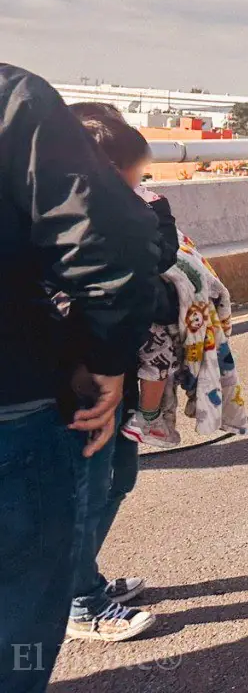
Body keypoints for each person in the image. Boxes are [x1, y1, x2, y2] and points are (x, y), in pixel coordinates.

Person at [0, 66, 159, 691]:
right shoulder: (14, 99)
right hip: (14, 396)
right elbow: (107, 245)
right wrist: (104, 359)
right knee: (18, 614)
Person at [61, 106, 181, 643]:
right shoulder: (59, 226)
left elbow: (159, 263)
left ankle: (81, 578)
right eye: (133, 175)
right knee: (85, 491)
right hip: (84, 383)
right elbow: (141, 279)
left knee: (118, 480)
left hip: (125, 371)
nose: (141, 185)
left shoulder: (136, 210)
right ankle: (78, 599)